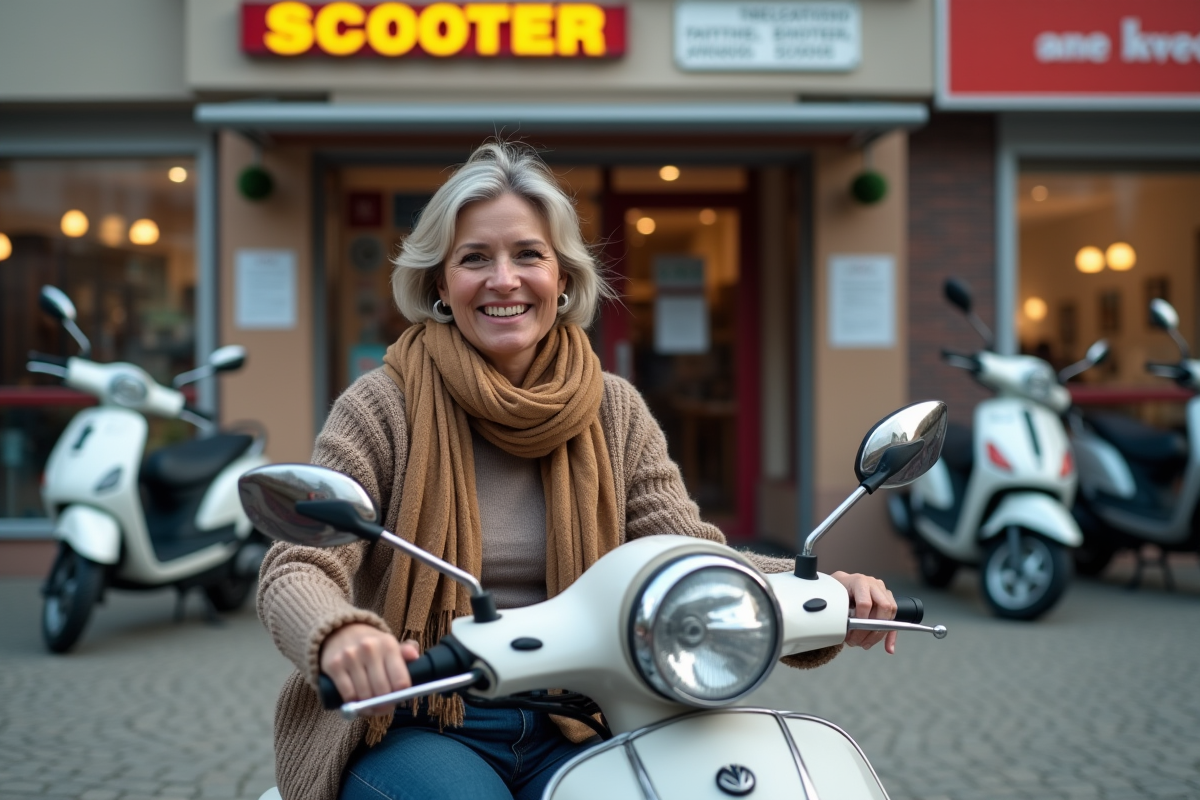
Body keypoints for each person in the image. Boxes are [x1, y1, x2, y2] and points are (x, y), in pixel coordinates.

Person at [257, 141, 900, 800]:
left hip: (586, 716)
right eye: (474, 257)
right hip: (418, 718)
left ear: (562, 279)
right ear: (439, 285)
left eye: (528, 255)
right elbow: (299, 562)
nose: (503, 279)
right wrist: (342, 634)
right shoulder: (384, 403)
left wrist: (821, 590)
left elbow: (684, 559)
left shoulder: (613, 409)